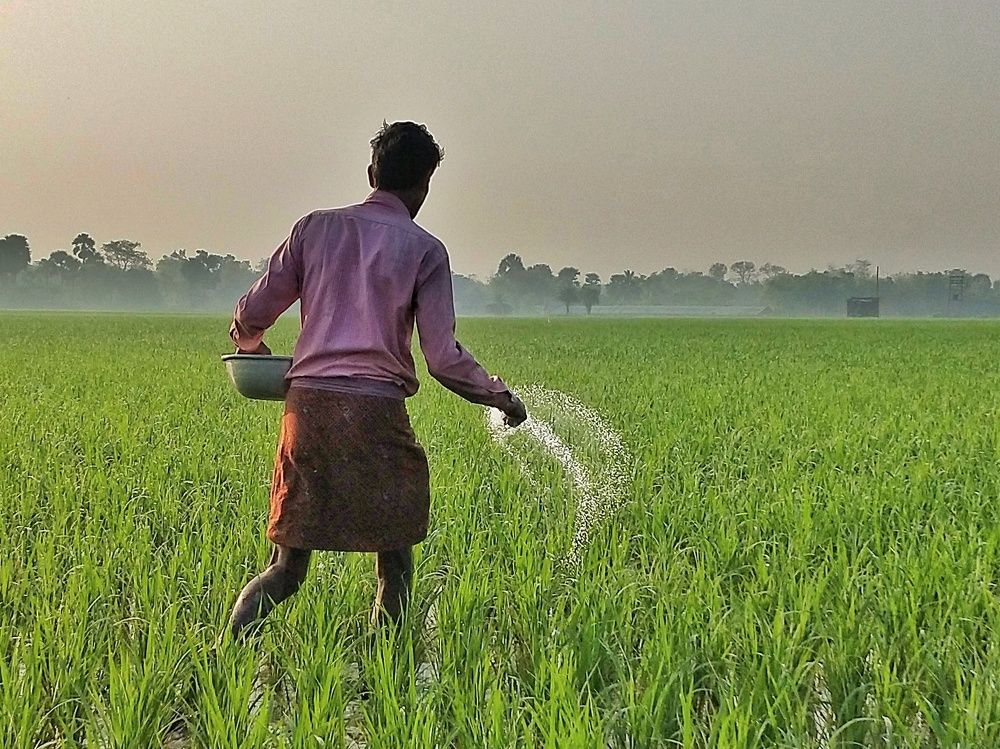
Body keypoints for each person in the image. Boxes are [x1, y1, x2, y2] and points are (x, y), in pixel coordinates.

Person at [226, 121, 527, 639]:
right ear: (426, 184)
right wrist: (498, 396)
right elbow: (442, 358)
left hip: (309, 413)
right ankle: (387, 678)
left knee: (286, 568)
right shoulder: (426, 250)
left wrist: (251, 346)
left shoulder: (314, 229)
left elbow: (253, 311)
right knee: (394, 567)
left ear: (372, 173)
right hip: (376, 415)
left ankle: (223, 657)